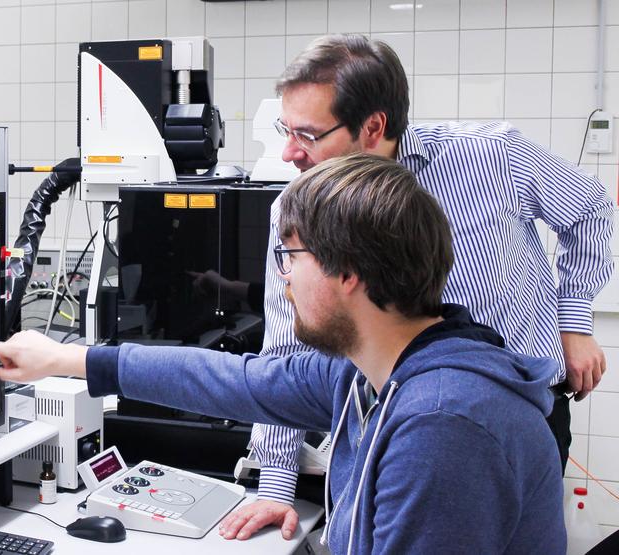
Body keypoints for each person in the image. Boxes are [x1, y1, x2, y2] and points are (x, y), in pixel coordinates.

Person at [0, 154, 567, 554]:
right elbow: (235, 380)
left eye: (291, 258)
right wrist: (66, 362)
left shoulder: (442, 426)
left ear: (348, 273)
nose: (280, 281)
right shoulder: (375, 371)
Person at [227, 33, 613, 542]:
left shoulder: (491, 156)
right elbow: (286, 353)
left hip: (511, 413)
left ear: (373, 126)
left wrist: (573, 321)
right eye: (286, 128)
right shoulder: (297, 206)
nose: (289, 152)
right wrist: (276, 484)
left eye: (308, 134)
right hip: (391, 424)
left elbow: (589, 208)